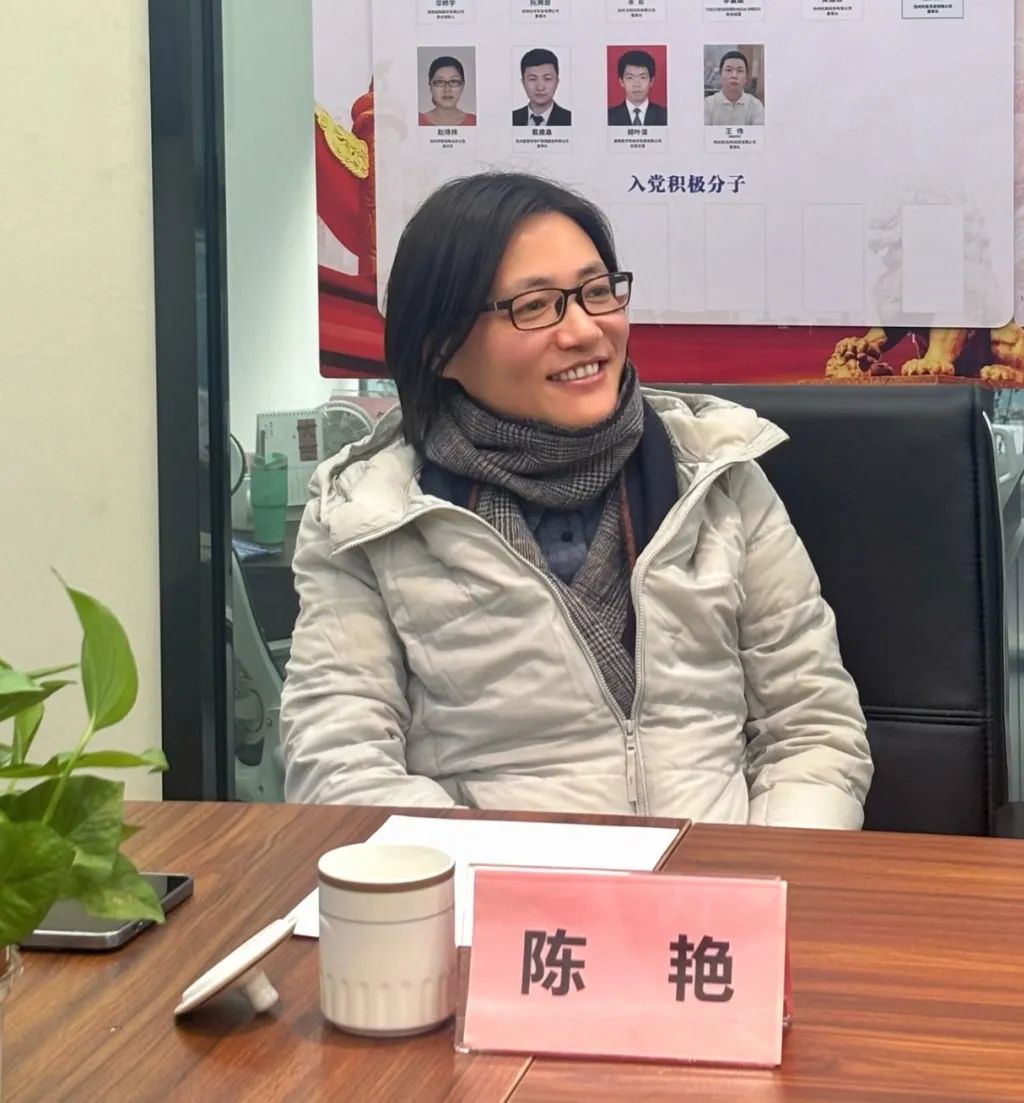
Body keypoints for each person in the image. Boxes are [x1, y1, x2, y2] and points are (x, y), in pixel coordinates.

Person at [280, 172, 872, 825]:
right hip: (494, 883)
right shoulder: (368, 515)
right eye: (535, 306)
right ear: (441, 347)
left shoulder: (718, 474)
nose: (586, 331)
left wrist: (764, 872)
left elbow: (813, 730)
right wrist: (496, 879)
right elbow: (339, 762)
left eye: (596, 292)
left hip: (719, 875)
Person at [512, 48, 572, 126]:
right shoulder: (511, 118)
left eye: (547, 78)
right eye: (532, 79)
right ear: (523, 83)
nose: (540, 87)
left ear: (557, 82)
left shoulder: (570, 119)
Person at [704, 50, 765, 126]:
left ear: (746, 78)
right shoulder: (707, 105)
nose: (734, 75)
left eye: (739, 71)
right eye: (729, 70)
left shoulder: (756, 106)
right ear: (720, 76)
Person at [607, 49, 667, 125]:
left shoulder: (666, 115)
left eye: (642, 77)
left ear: (651, 81)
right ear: (621, 82)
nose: (636, 84)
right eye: (630, 77)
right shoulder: (609, 116)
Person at [418, 55, 476, 127]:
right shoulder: (417, 120)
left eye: (454, 81)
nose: (447, 89)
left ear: (462, 86)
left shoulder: (475, 122)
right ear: (430, 86)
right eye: (440, 82)